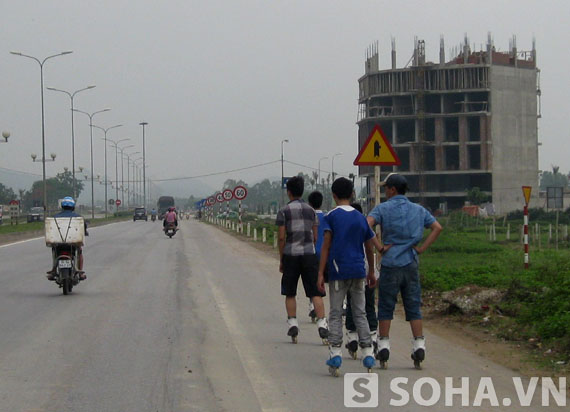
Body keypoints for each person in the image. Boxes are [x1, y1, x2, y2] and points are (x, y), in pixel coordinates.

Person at [367, 173, 442, 369]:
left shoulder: (382, 208)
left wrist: (379, 246)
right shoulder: (418, 210)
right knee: (413, 305)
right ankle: (419, 344)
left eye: (386, 188)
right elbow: (437, 227)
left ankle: (383, 345)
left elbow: (366, 224)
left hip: (391, 262)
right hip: (410, 261)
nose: (385, 192)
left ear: (392, 189)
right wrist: (422, 248)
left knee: (385, 306)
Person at [317, 177, 377, 375]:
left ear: (333, 196)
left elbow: (326, 245)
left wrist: (320, 273)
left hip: (338, 271)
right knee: (360, 312)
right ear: (352, 194)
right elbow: (369, 247)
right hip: (359, 270)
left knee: (336, 312)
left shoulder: (331, 216)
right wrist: (371, 271)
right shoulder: (361, 217)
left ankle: (335, 352)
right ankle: (368, 351)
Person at [276, 176, 328, 344]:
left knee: (290, 291)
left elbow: (281, 237)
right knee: (315, 292)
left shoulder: (284, 211)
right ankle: (322, 324)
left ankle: (292, 323)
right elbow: (314, 235)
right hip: (309, 255)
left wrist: (282, 258)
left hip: (291, 254)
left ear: (289, 192)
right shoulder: (311, 211)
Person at [344, 202, 378, 359]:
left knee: (352, 305)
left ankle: (352, 338)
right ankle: (373, 337)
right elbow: (372, 248)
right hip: (366, 271)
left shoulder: (346, 228)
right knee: (369, 306)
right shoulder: (366, 227)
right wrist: (372, 271)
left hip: (352, 271)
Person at [46, 196, 88, 281]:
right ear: (73, 207)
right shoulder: (78, 217)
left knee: (54, 251)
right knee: (79, 251)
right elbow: (83, 227)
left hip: (59, 243)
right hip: (73, 243)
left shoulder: (55, 217)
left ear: (62, 206)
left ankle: (54, 270)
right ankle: (80, 273)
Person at [307, 190, 327, 323]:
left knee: (312, 281)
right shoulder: (328, 217)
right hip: (327, 255)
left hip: (312, 253)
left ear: (309, 203)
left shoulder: (308, 218)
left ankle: (312, 306)